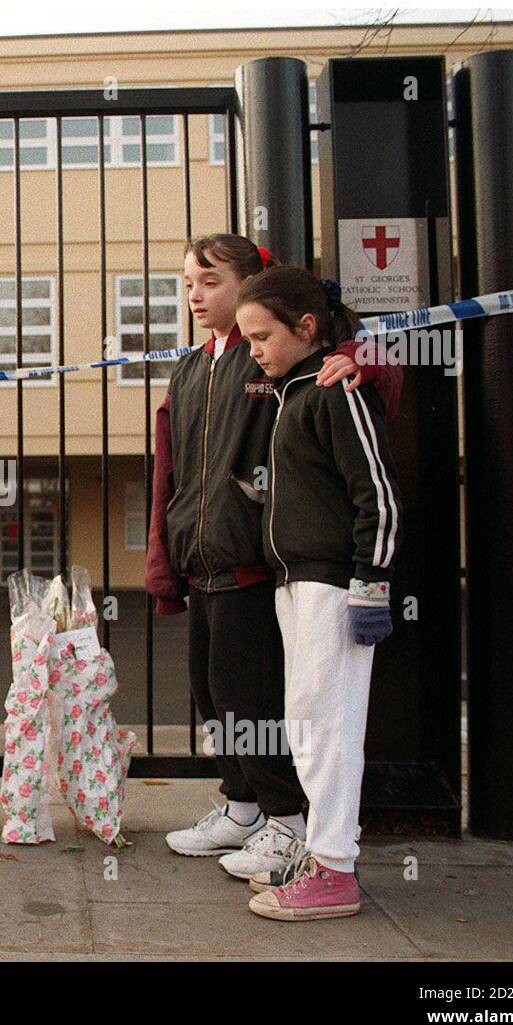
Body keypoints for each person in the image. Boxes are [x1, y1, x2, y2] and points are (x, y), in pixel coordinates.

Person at [147, 234, 402, 884]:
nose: (196, 296)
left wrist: (360, 359)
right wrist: (163, 560)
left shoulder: (278, 359)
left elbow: (360, 354)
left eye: (209, 281)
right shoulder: (191, 365)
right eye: (187, 284)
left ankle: (286, 818)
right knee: (211, 692)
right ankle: (241, 804)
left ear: (250, 283)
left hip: (259, 561)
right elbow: (169, 470)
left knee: (252, 697)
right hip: (201, 556)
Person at [233, 265, 402, 921]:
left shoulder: (337, 390)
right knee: (308, 722)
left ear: (306, 327)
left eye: (263, 336)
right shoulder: (293, 394)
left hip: (335, 585)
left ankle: (335, 870)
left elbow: (378, 496)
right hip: (297, 581)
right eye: (246, 339)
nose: (255, 350)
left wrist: (372, 582)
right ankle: (325, 857)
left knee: (329, 727)